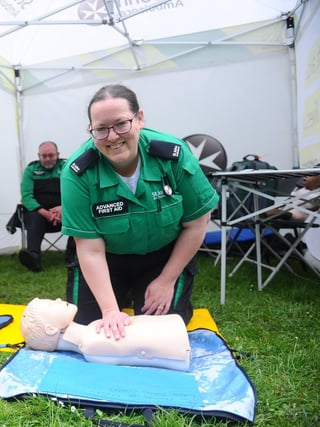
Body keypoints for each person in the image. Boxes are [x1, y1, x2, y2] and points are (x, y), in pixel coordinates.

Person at [60, 84, 219, 336]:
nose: (112, 136)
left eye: (121, 124)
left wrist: (166, 281)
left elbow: (197, 223)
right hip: (105, 257)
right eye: (100, 129)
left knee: (160, 330)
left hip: (162, 255)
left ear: (140, 118)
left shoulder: (173, 156)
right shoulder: (76, 173)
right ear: (91, 130)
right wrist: (110, 311)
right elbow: (89, 247)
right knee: (92, 329)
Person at [20, 298, 191, 371]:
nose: (58, 300)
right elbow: (142, 348)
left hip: (174, 331)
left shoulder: (90, 335)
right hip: (177, 346)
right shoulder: (91, 344)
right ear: (50, 329)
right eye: (51, 305)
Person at [18, 141, 71, 272]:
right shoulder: (31, 169)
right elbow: (26, 197)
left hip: (64, 214)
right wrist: (46, 213)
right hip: (39, 215)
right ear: (39, 155)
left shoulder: (67, 167)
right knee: (34, 216)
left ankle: (73, 254)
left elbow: (74, 192)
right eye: (44, 156)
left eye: (51, 155)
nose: (47, 159)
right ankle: (34, 259)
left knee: (78, 213)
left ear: (58, 154)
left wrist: (63, 208)